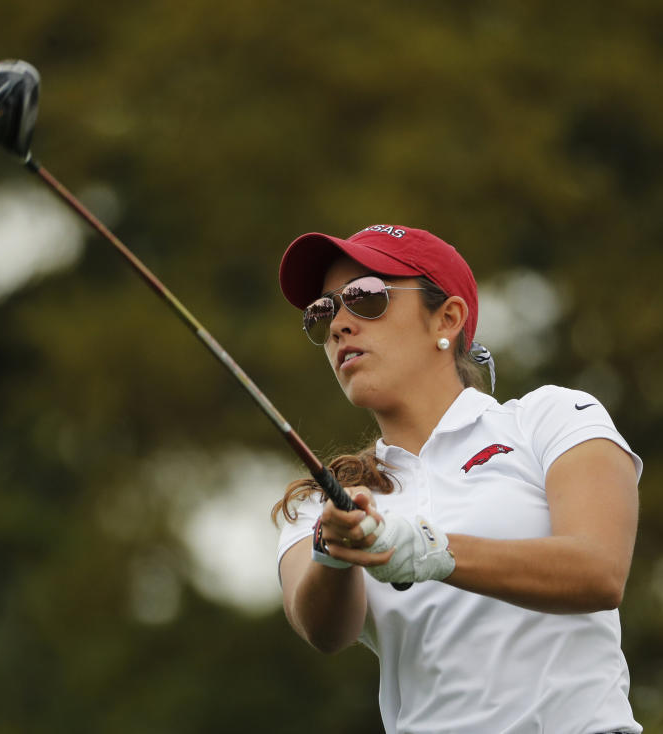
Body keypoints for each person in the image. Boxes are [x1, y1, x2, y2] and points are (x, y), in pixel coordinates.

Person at [272, 224, 643, 734]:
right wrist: (333, 550)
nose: (339, 325)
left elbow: (599, 571)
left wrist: (429, 550)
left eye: (365, 297)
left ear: (446, 318)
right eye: (324, 310)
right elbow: (325, 631)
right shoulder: (324, 504)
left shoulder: (551, 418)